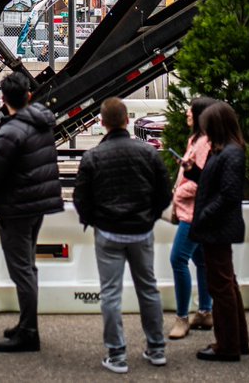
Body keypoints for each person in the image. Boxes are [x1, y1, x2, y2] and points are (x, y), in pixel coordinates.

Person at [73, 97, 171, 374]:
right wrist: (149, 217)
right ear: (127, 120)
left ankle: (116, 354)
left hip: (108, 231)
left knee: (110, 295)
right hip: (141, 230)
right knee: (148, 289)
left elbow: (82, 199)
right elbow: (164, 195)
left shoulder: (93, 157)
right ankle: (156, 347)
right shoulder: (148, 154)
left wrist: (95, 220)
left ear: (102, 123)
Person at [0, 71, 63, 353]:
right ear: (28, 95)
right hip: (35, 205)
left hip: (15, 207)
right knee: (28, 267)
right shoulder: (41, 123)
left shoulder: (11, 130)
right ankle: (28, 324)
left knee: (21, 270)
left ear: (3, 99)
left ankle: (28, 331)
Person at [186, 101, 249, 362]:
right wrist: (195, 174)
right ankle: (237, 340)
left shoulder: (230, 153)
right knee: (227, 284)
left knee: (221, 287)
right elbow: (218, 185)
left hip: (217, 228)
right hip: (218, 227)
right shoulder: (224, 151)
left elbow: (228, 195)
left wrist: (203, 216)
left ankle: (227, 345)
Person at [168, 96, 216, 339]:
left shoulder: (204, 143)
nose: (186, 113)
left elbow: (203, 181)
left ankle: (182, 317)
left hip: (193, 212)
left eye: (191, 110)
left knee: (178, 259)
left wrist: (179, 191)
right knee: (201, 261)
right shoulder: (197, 140)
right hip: (194, 210)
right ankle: (205, 311)